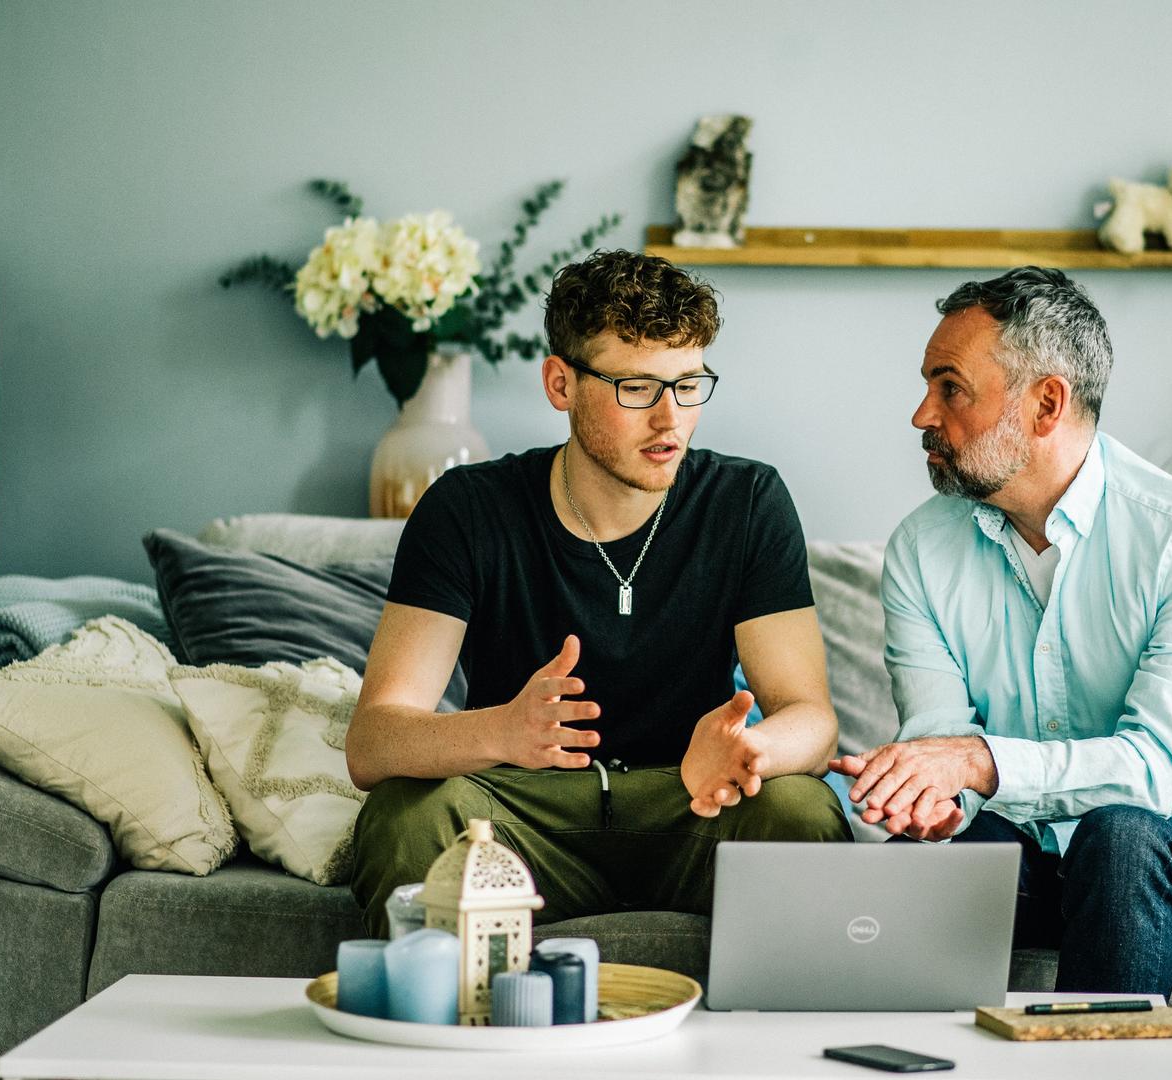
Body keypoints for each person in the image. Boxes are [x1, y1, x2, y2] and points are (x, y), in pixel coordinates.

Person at [349, 250, 848, 934]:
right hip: (523, 814)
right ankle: (451, 1027)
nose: (670, 420)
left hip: (689, 801)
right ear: (561, 383)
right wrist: (502, 730)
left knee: (800, 810)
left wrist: (748, 752)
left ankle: (772, 1038)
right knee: (404, 818)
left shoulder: (747, 501)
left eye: (689, 384)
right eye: (637, 388)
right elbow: (373, 743)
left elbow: (812, 721)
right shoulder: (468, 508)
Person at [830, 266, 1172, 997]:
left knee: (1119, 836)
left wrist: (976, 764)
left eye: (950, 388)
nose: (921, 415)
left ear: (1045, 404)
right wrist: (935, 803)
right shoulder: (918, 549)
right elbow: (941, 738)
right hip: (1029, 857)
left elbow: (1156, 770)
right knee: (930, 862)